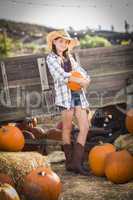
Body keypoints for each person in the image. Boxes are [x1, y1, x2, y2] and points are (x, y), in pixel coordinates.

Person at [46, 30, 91, 176]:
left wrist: (86, 79)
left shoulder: (69, 57)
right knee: (67, 129)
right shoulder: (50, 58)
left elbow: (82, 72)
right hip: (65, 97)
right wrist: (79, 80)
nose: (63, 44)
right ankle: (69, 162)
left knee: (84, 126)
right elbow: (60, 76)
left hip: (77, 95)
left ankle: (77, 163)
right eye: (60, 41)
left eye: (66, 42)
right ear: (54, 41)